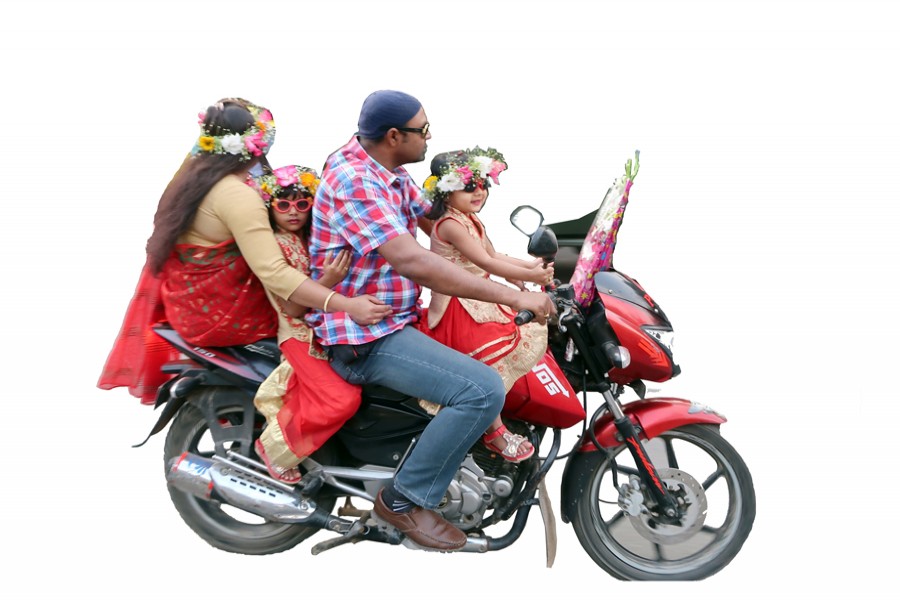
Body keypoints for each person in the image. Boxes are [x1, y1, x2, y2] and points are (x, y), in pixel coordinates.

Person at [307, 90, 555, 551]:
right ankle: (403, 500)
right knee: (481, 388)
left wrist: (536, 264)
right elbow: (417, 262)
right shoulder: (356, 180)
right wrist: (510, 292)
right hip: (366, 334)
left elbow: (446, 228)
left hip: (393, 317)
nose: (429, 139)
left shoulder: (387, 169)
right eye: (423, 131)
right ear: (394, 136)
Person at [98, 98, 391, 404]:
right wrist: (345, 303)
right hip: (225, 316)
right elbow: (275, 273)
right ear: (257, 145)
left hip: (187, 307)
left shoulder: (191, 180)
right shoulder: (237, 194)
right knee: (334, 351)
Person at [421, 147, 554, 463]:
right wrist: (529, 274)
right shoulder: (450, 223)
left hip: (479, 297)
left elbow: (494, 257)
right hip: (459, 306)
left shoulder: (468, 218)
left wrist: (528, 271)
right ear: (446, 191)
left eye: (482, 184)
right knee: (487, 369)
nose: (478, 191)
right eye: (468, 186)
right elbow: (483, 261)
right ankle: (494, 432)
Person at [248, 164, 361, 484]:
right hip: (299, 335)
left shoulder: (314, 238)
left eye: (302, 203)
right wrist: (329, 280)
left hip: (333, 329)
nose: (293, 211)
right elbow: (292, 307)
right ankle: (274, 449)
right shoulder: (273, 245)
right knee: (343, 400)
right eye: (283, 204)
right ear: (270, 207)